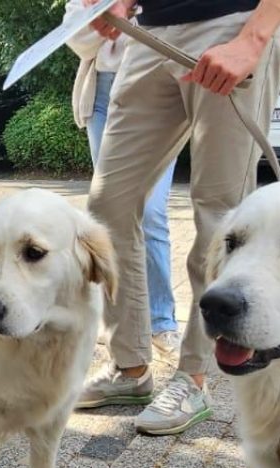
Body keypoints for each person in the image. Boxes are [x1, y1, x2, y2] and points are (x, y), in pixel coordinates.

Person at [76, 0, 280, 435]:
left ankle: (193, 378)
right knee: (107, 208)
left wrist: (252, 38)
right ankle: (130, 368)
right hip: (151, 32)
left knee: (221, 213)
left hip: (236, 20)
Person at [65, 4, 180, 356]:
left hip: (156, 89)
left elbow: (169, 32)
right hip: (103, 92)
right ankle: (120, 323)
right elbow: (80, 41)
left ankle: (161, 323)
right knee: (109, 212)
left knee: (151, 212)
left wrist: (119, 16)